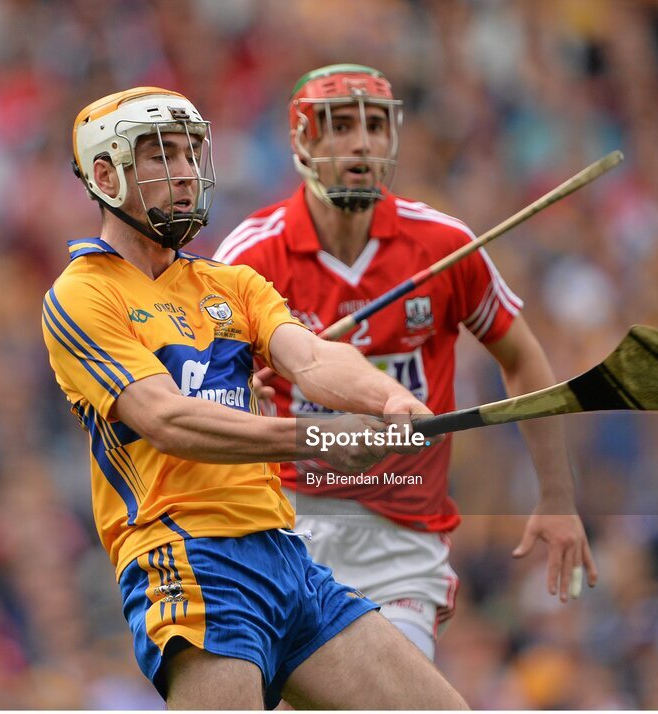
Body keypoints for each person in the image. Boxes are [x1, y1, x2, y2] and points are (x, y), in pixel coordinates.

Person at [42, 86, 469, 710]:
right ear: (106, 175)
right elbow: (166, 418)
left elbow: (312, 357)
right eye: (162, 157)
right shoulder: (82, 295)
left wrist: (389, 400)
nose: (186, 172)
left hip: (285, 554)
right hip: (190, 556)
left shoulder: (229, 282)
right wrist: (319, 439)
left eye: (192, 154)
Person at [213, 64, 598, 659]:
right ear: (302, 141)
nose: (363, 142)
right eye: (340, 126)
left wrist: (556, 497)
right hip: (286, 526)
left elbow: (522, 358)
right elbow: (206, 398)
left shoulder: (443, 246)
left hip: (402, 540)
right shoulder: (250, 255)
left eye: (376, 126)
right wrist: (243, 393)